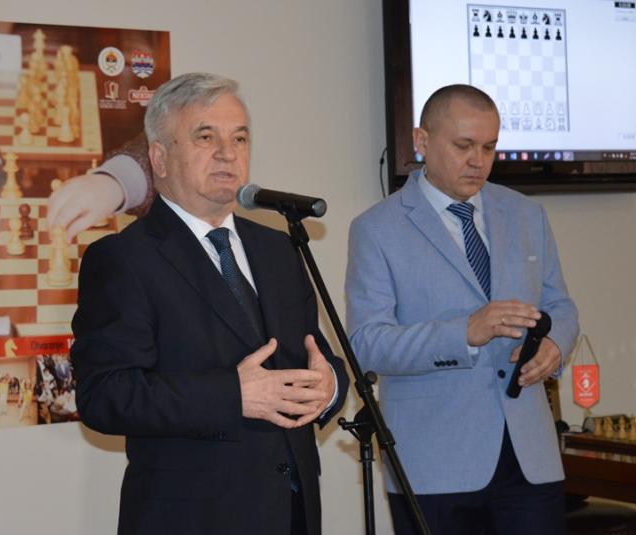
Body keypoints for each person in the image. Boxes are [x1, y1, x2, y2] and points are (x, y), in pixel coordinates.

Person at [70, 72, 348, 535]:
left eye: (239, 138)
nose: (228, 152)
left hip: (291, 512)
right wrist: (233, 394)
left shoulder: (279, 249)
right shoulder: (123, 258)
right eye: (205, 137)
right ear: (159, 158)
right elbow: (105, 396)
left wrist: (329, 387)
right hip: (192, 517)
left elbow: (314, 355)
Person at [345, 84, 579, 535]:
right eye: (463, 145)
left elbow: (561, 305)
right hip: (434, 463)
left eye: (489, 147)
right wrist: (464, 333)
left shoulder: (526, 214)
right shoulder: (377, 229)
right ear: (422, 140)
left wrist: (554, 345)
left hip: (529, 458)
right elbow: (366, 344)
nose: (478, 161)